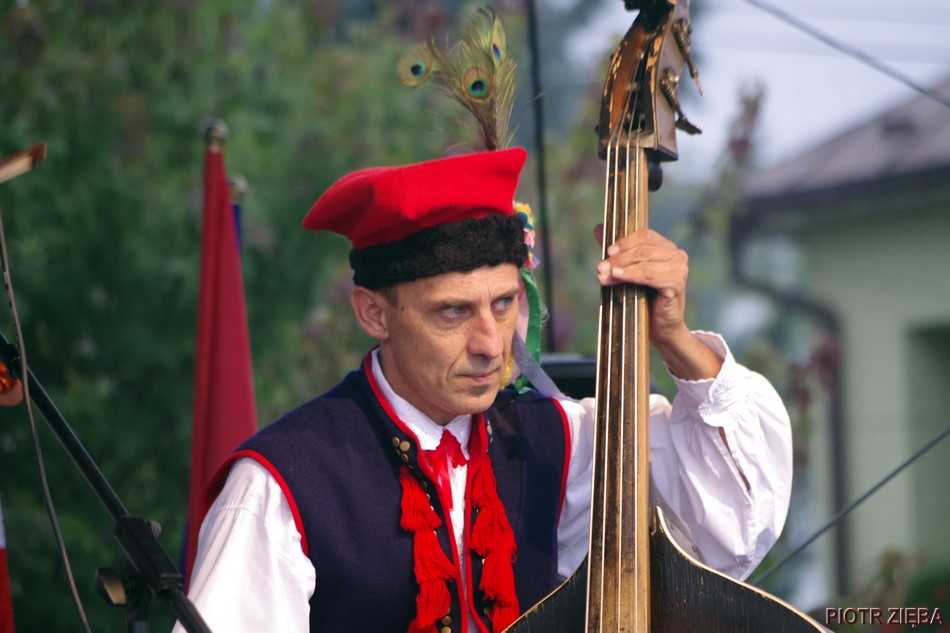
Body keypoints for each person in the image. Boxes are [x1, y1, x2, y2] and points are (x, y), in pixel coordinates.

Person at [175, 147, 793, 633]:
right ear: (373, 313)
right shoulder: (282, 484)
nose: (492, 343)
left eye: (503, 304)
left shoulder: (557, 442)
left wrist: (672, 336)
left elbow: (731, 520)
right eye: (453, 312)